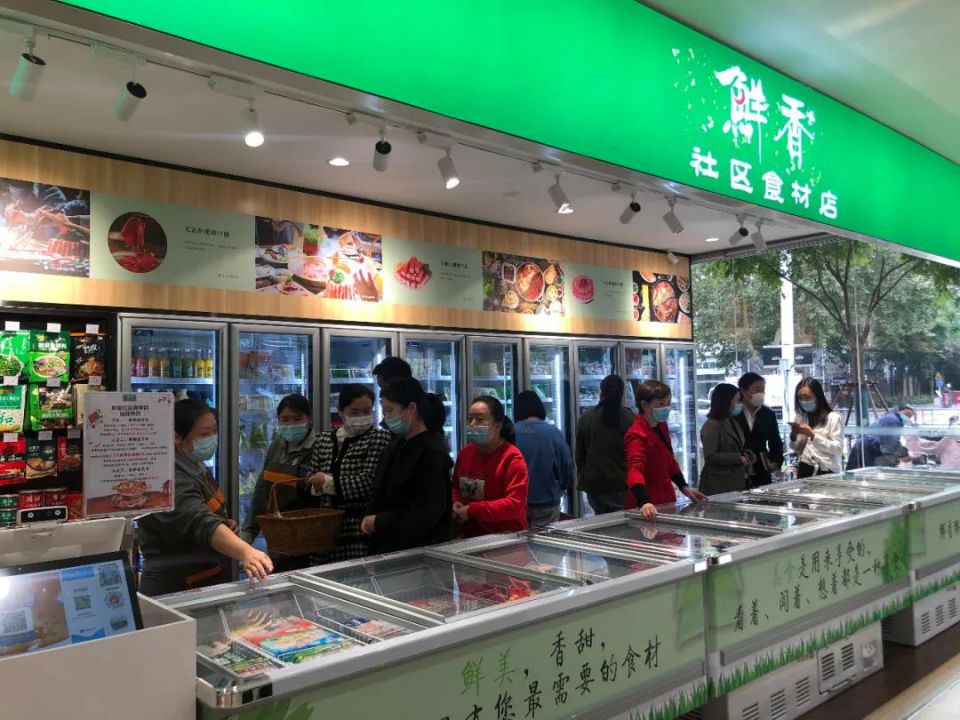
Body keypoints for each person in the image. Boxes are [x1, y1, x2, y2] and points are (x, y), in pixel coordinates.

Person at [138, 399, 272, 596]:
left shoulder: (193, 463)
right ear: (176, 437)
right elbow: (198, 520)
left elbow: (207, 512)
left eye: (214, 431)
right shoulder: (165, 476)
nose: (212, 439)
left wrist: (223, 523)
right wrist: (245, 551)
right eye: (204, 434)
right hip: (176, 585)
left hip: (206, 576)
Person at [299, 384, 393, 563]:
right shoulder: (323, 439)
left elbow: (369, 482)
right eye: (354, 412)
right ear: (341, 411)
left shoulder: (379, 438)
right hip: (324, 531)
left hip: (359, 531)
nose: (361, 417)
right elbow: (310, 480)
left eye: (366, 411)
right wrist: (313, 485)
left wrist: (327, 483)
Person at [361, 378, 453, 553]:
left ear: (411, 408)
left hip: (419, 551)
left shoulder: (431, 452)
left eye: (390, 410)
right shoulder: (396, 444)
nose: (386, 418)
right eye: (384, 411)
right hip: (388, 546)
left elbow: (426, 512)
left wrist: (379, 521)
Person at [240, 394, 317, 548]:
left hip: (308, 535)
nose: (291, 424)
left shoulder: (319, 448)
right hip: (276, 534)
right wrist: (248, 533)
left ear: (309, 419)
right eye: (285, 419)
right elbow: (262, 491)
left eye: (297, 419)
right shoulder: (277, 447)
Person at [625, 380, 707, 520]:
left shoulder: (661, 426)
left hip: (666, 498)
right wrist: (644, 501)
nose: (666, 408)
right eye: (661, 404)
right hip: (647, 504)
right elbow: (635, 470)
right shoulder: (636, 435)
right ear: (644, 405)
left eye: (668, 403)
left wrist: (684, 487)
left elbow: (670, 461)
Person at [452, 396, 529, 537]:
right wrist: (456, 501)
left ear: (497, 426)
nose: (472, 424)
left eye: (479, 419)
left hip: (505, 539)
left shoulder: (512, 458)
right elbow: (456, 486)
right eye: (470, 419)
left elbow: (515, 504)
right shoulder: (465, 454)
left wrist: (472, 511)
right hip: (470, 538)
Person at [575, 375, 636, 514]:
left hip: (595, 485)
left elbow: (579, 455)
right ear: (622, 393)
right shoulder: (631, 419)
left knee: (601, 520)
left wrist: (585, 476)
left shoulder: (586, 418)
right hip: (623, 484)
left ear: (601, 391)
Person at [513, 390, 574, 527]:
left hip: (517, 503)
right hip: (547, 502)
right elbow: (566, 466)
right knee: (545, 540)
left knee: (518, 539)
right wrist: (563, 486)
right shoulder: (553, 433)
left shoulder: (511, 432)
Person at [699, 383, 750, 496]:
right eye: (737, 400)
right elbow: (710, 456)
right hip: (719, 485)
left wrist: (746, 456)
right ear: (726, 401)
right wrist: (737, 458)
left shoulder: (732, 422)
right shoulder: (711, 425)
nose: (739, 404)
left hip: (735, 482)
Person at [734, 372, 784, 486]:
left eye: (763, 390)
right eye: (757, 389)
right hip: (737, 469)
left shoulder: (768, 414)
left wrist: (775, 462)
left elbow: (775, 441)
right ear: (743, 391)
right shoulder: (733, 413)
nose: (761, 393)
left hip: (762, 470)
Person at [790, 377, 843, 477]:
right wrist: (794, 435)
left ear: (818, 396)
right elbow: (796, 449)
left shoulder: (833, 418)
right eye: (800, 398)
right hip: (804, 468)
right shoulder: (800, 418)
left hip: (825, 471)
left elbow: (838, 449)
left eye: (807, 397)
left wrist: (813, 435)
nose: (803, 401)